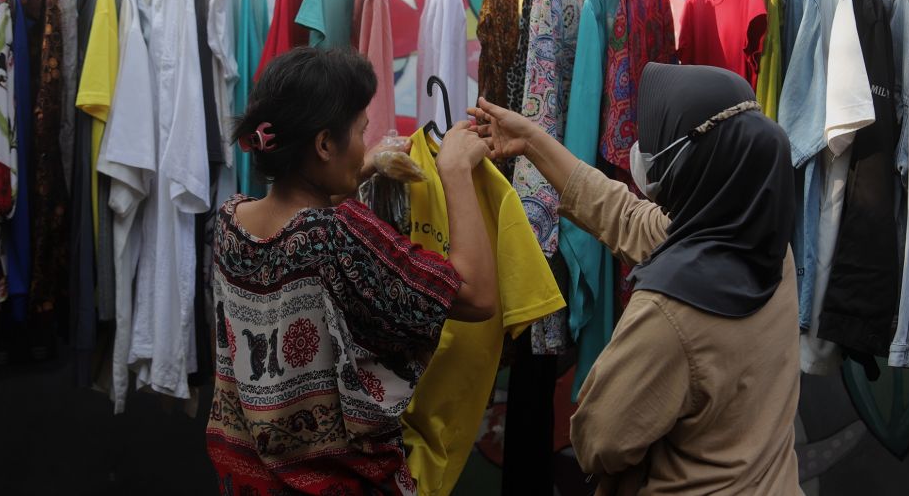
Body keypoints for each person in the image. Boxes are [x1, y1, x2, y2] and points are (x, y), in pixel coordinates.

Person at [471, 62, 801, 495]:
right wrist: (531, 141)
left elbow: (597, 440)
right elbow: (625, 215)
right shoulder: (764, 248)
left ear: (693, 166)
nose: (645, 152)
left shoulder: (670, 311)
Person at [207, 47, 497, 495]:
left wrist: (361, 167)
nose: (367, 143)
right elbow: (477, 295)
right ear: (324, 145)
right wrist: (455, 170)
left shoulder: (229, 223)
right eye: (361, 132)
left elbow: (297, 225)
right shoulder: (338, 235)